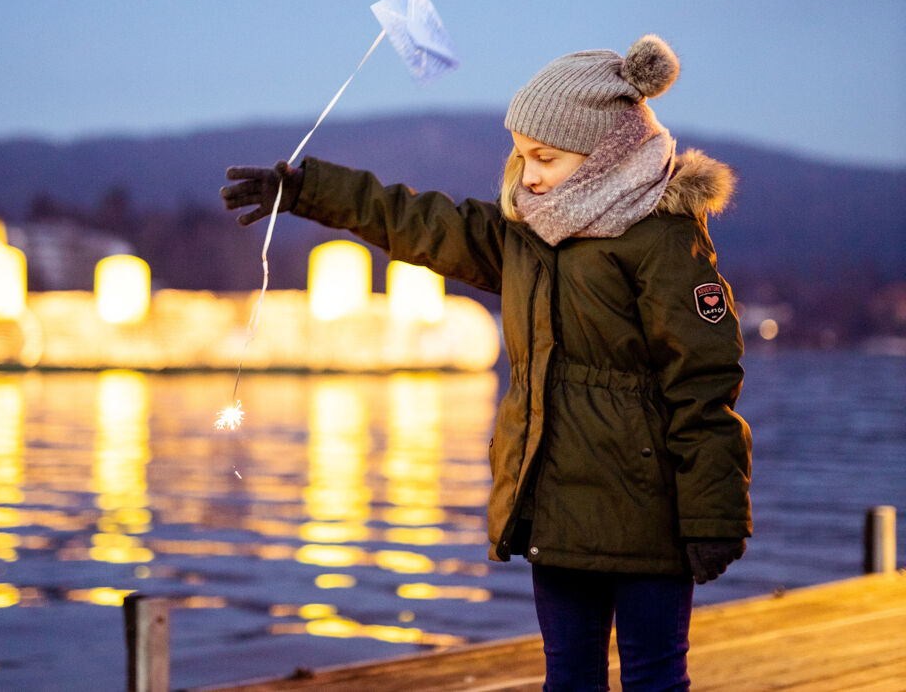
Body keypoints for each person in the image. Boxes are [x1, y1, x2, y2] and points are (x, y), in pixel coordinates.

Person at [221, 34, 752, 692]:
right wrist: (305, 192)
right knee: (569, 677)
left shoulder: (664, 240)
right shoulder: (525, 237)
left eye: (545, 157)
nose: (528, 173)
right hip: (555, 507)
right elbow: (419, 221)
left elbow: (703, 386)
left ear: (604, 153)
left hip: (650, 516)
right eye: (522, 155)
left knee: (654, 678)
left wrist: (714, 515)